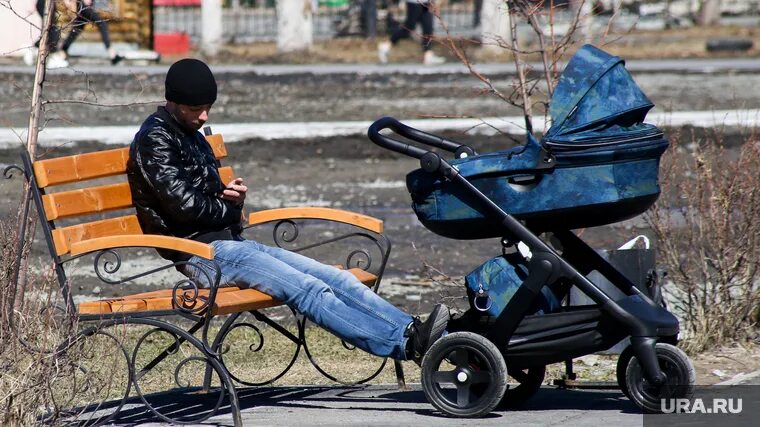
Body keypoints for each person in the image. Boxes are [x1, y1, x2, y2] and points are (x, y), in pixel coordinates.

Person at [126, 59, 449, 363]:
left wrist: (232, 200)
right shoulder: (155, 139)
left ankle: (417, 332)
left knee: (338, 278)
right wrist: (228, 208)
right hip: (200, 254)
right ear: (174, 102)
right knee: (309, 289)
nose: (205, 117)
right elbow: (186, 210)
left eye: (208, 108)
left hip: (230, 246)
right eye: (196, 109)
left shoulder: (191, 134)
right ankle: (404, 345)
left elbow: (205, 200)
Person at [377, 0, 445, 65]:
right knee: (409, 28)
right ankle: (386, 45)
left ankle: (428, 54)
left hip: (426, 2)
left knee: (428, 27)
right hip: (414, 3)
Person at [59, 0, 123, 65]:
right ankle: (112, 54)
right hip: (83, 5)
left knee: (77, 29)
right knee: (102, 24)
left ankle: (62, 52)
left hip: (85, 6)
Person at [25, 0, 68, 68]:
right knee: (52, 28)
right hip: (44, 3)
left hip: (49, 3)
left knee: (50, 28)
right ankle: (53, 57)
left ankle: (34, 49)